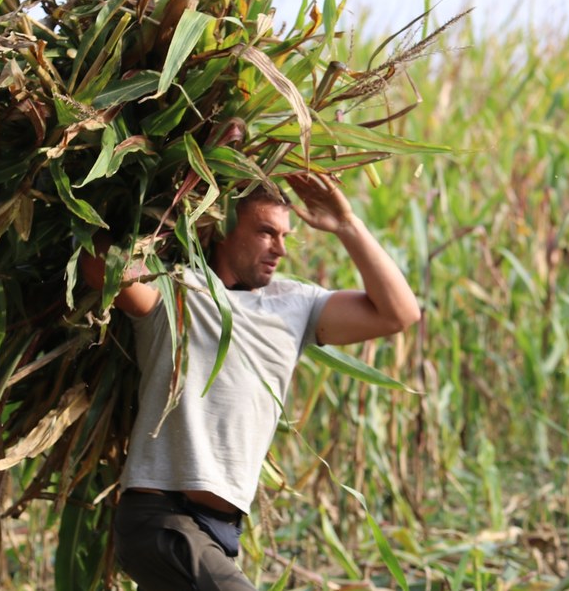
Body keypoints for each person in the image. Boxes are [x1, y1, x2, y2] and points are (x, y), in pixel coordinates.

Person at [82, 172, 420, 591]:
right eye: (265, 232)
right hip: (161, 521)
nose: (279, 248)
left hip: (223, 532)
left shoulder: (296, 305)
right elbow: (100, 261)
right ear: (221, 225)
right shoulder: (175, 292)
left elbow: (398, 314)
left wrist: (347, 224)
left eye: (284, 235)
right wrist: (163, 206)